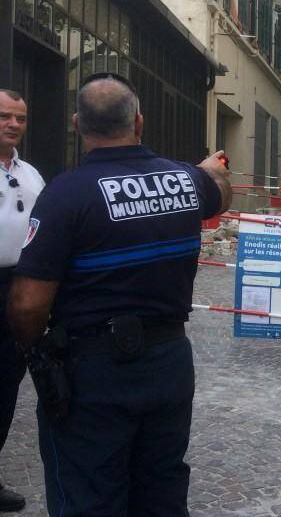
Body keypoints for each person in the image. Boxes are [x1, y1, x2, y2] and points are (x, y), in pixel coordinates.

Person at [7, 73, 232, 516]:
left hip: (94, 371)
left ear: (77, 124)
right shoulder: (184, 180)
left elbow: (28, 303)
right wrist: (207, 170)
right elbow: (220, 193)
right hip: (169, 362)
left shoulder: (65, 194)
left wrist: (31, 349)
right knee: (161, 489)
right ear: (140, 123)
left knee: (89, 493)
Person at [0, 89, 44, 512]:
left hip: (18, 287)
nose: (13, 124)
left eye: (20, 118)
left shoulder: (31, 175)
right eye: (4, 117)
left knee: (6, 382)